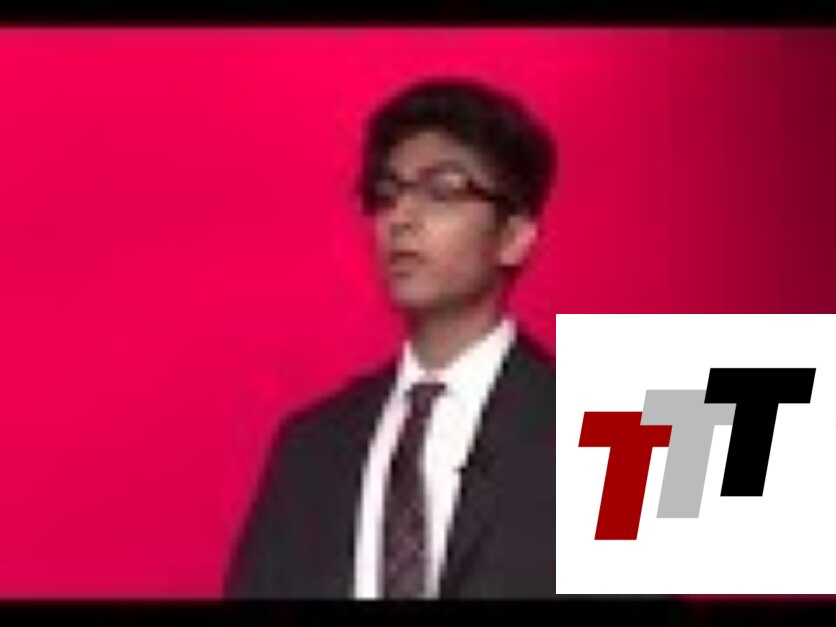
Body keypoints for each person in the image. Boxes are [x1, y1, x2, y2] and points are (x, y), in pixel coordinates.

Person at [224, 76, 556, 599]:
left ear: (513, 237)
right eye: (386, 194)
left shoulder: (615, 429)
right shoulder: (309, 446)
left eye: (442, 190)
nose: (401, 218)